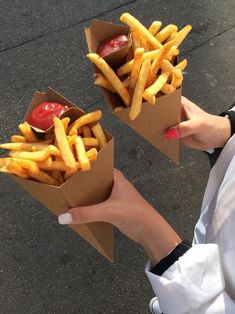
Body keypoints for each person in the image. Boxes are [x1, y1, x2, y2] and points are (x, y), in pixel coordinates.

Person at [58, 97, 235, 314]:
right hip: (214, 231)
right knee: (196, 267)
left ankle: (179, 293)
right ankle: (178, 291)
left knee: (187, 292)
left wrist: (151, 233)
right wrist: (227, 129)